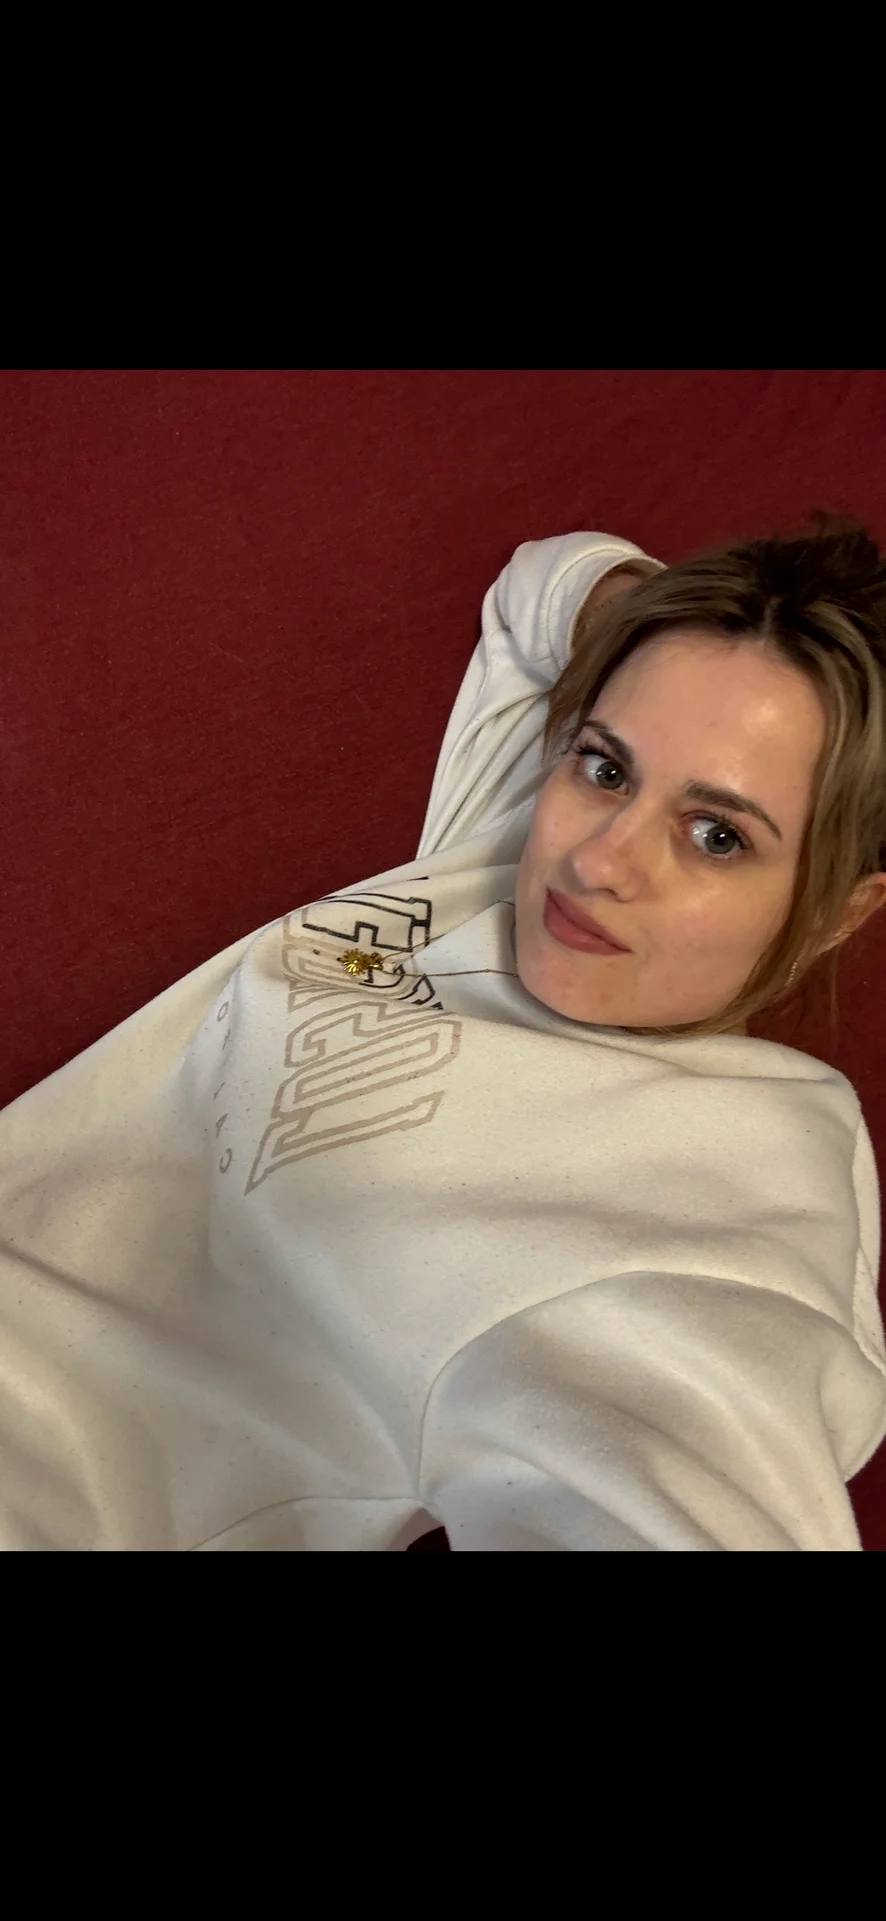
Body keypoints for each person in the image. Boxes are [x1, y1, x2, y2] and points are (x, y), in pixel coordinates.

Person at [2, 514, 886, 1551]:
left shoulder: (742, 1184)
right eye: (607, 767)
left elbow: (676, 1458)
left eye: (716, 834)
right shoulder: (504, 854)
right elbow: (540, 590)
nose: (600, 860)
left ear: (838, 912)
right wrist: (720, 631)